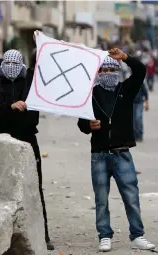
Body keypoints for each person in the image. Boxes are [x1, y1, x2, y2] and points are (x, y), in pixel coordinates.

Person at [78, 48, 155, 252]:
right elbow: (81, 123)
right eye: (103, 70)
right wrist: (88, 126)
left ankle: (137, 235)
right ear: (98, 72)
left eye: (112, 68)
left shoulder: (126, 90)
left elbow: (140, 71)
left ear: (118, 70)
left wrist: (126, 57)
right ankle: (104, 235)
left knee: (131, 196)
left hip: (122, 153)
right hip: (99, 154)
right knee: (101, 199)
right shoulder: (91, 93)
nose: (107, 73)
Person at [0, 49, 54, 251]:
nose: (12, 68)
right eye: (8, 63)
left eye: (16, 64)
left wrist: (38, 45)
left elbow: (32, 116)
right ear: (2, 64)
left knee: (34, 188)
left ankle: (44, 235)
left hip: (27, 141)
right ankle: (1, 238)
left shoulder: (30, 85)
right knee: (0, 190)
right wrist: (11, 107)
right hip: (1, 144)